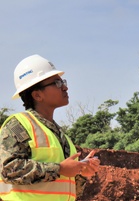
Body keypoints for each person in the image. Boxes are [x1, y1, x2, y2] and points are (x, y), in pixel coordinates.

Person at [0, 54, 100, 201]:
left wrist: (81, 171)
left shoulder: (61, 136)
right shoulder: (18, 125)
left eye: (63, 82)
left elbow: (66, 189)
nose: (65, 87)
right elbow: (8, 169)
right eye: (57, 83)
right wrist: (59, 169)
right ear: (37, 95)